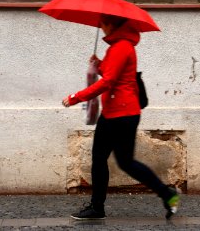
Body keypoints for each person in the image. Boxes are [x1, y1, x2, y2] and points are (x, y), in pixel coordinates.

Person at [62, 14, 179, 220]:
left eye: (103, 23)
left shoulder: (121, 47)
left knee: (108, 159)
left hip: (120, 113)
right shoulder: (118, 46)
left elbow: (108, 82)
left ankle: (98, 207)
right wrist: (98, 64)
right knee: (118, 161)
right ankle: (166, 194)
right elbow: (113, 74)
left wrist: (75, 97)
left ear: (111, 24)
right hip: (119, 112)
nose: (101, 27)